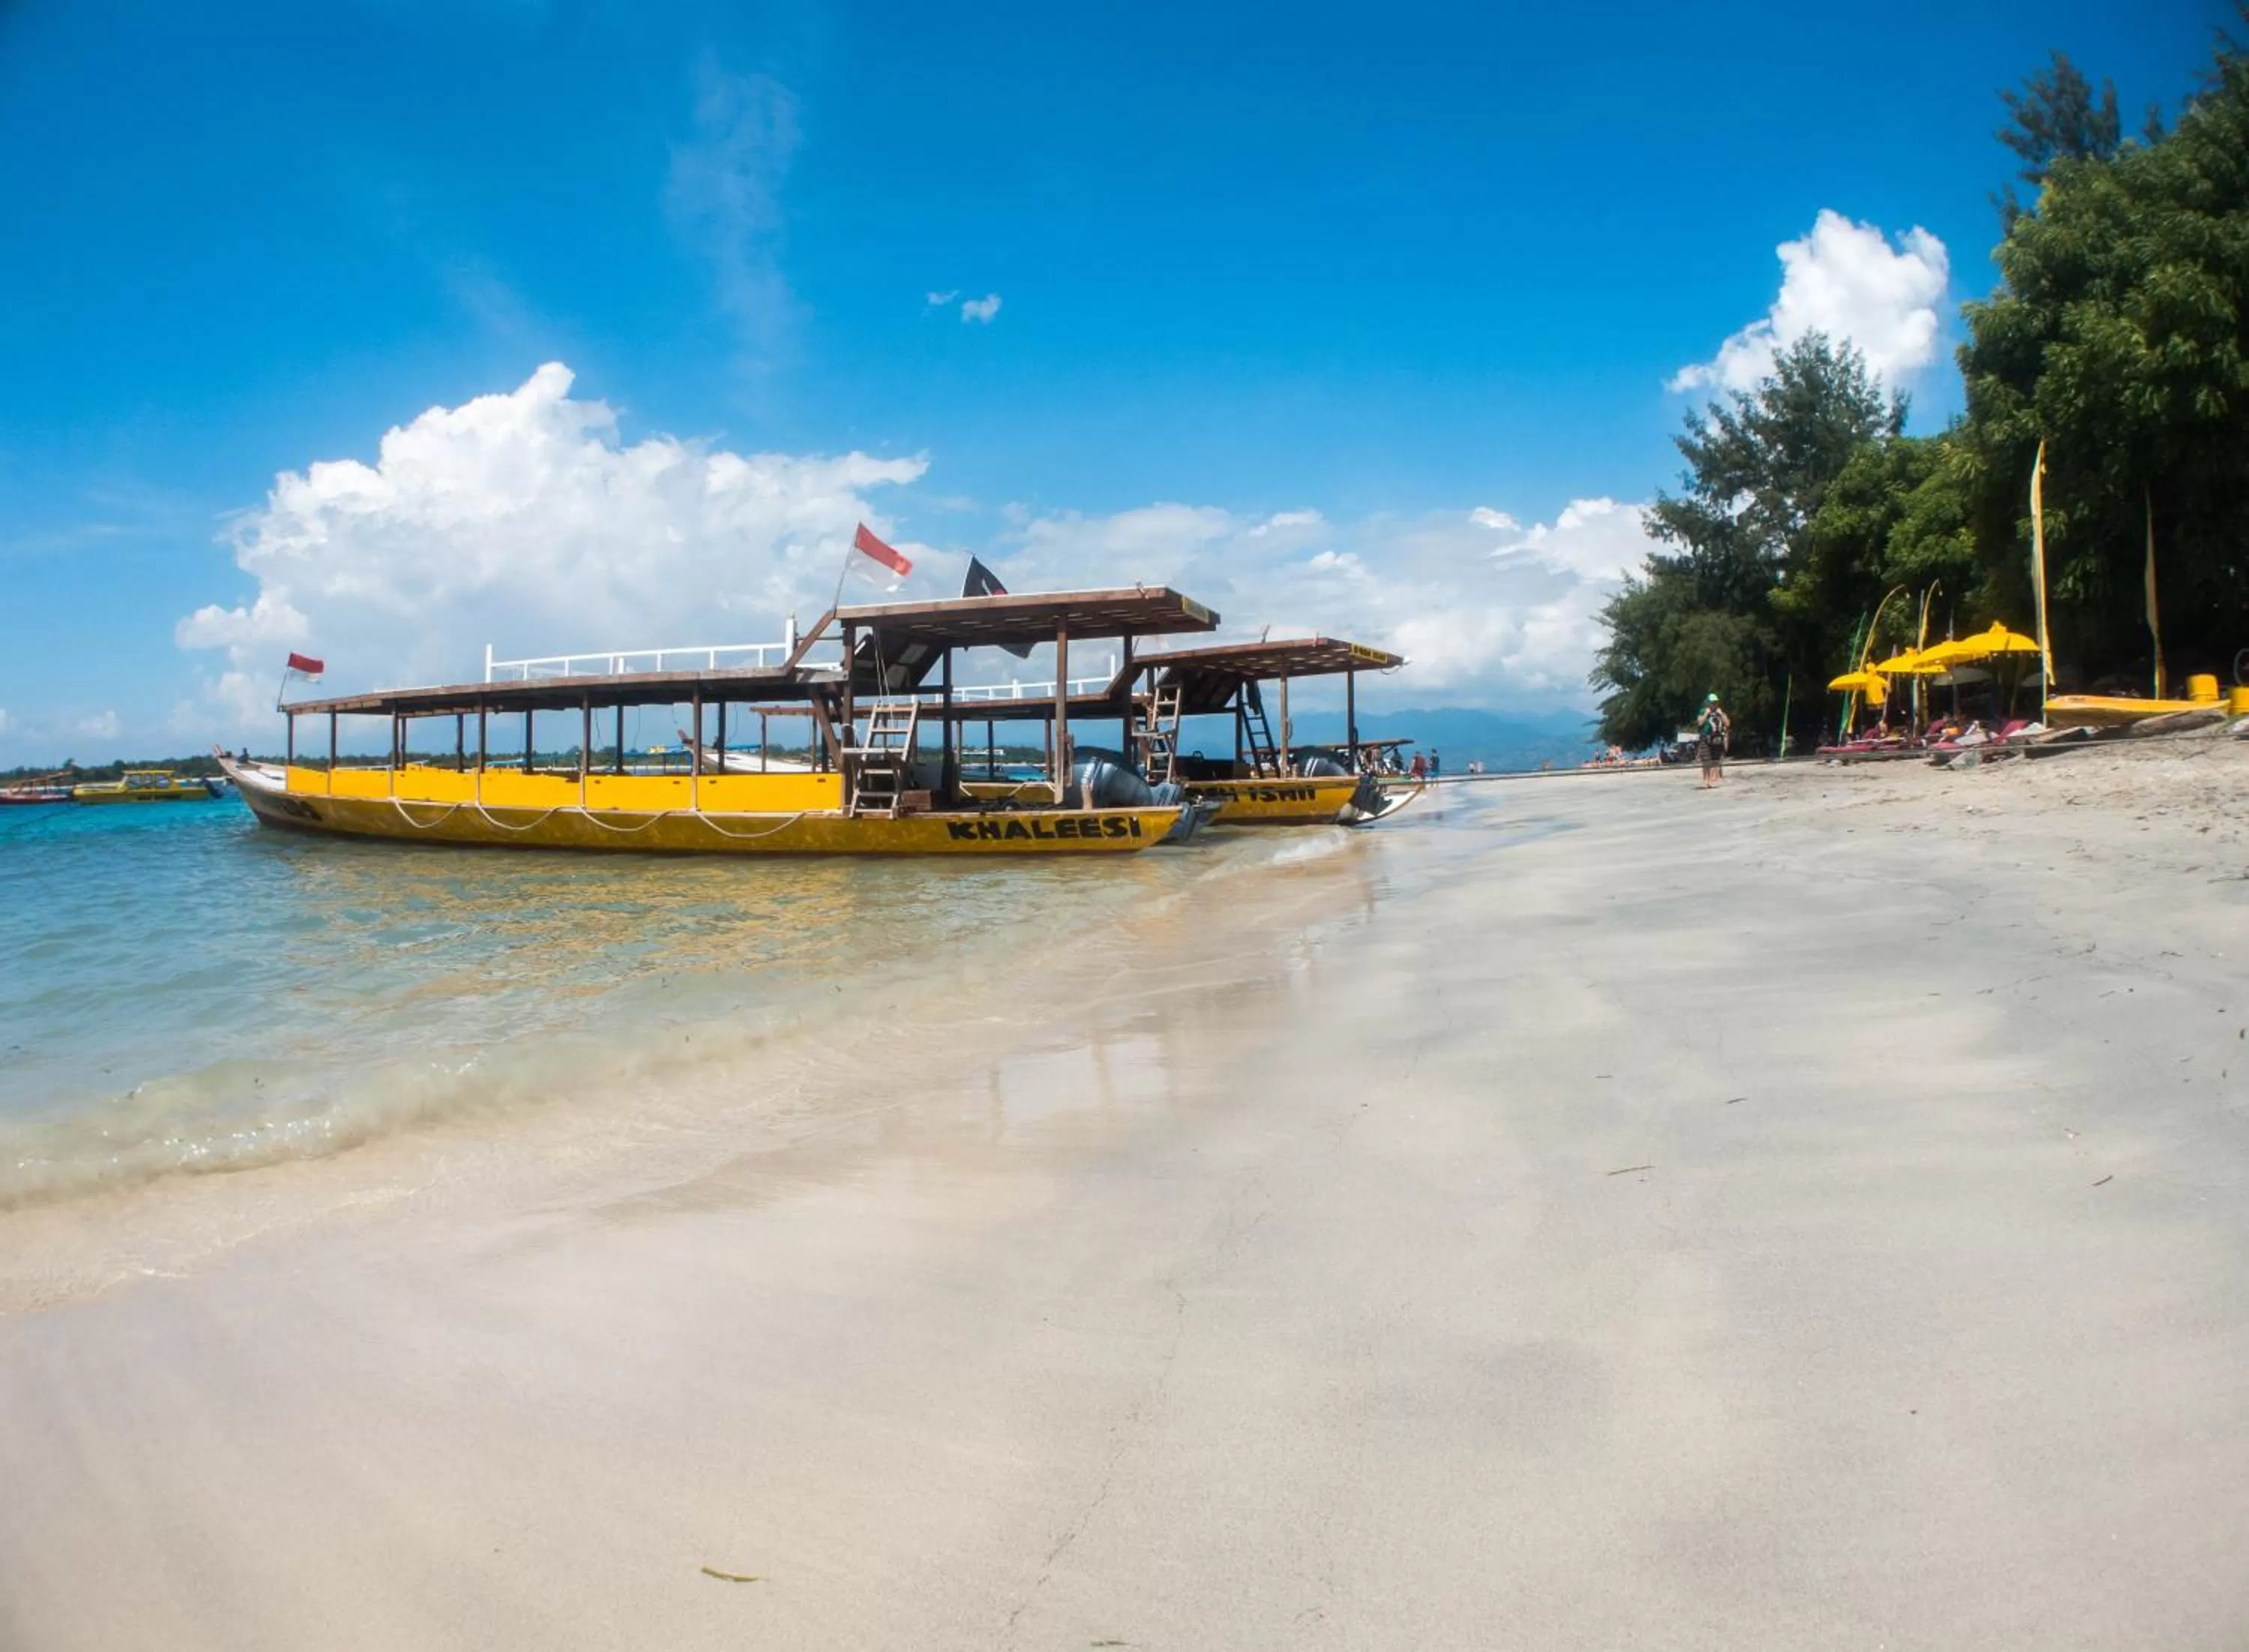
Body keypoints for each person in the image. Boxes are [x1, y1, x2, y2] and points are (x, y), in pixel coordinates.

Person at [1696, 693, 1730, 789]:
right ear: (1708, 703)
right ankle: (1706, 780)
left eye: (1716, 702)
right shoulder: (1703, 711)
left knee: (1715, 760)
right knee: (1706, 760)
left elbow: (1727, 724)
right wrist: (1706, 714)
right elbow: (1700, 723)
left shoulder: (1720, 712)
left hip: (1717, 739)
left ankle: (1712, 780)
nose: (1714, 704)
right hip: (1706, 738)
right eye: (1712, 702)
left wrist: (1721, 714)